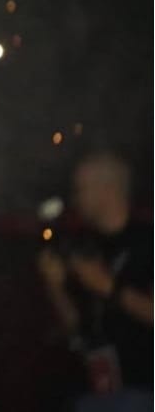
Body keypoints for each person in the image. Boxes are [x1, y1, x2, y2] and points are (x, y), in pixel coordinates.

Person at [38, 150, 153, 411]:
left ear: (108, 189)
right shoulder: (85, 247)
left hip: (143, 390)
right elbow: (75, 327)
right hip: (92, 391)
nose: (76, 198)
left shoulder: (148, 241)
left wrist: (108, 286)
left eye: (81, 189)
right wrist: (55, 286)